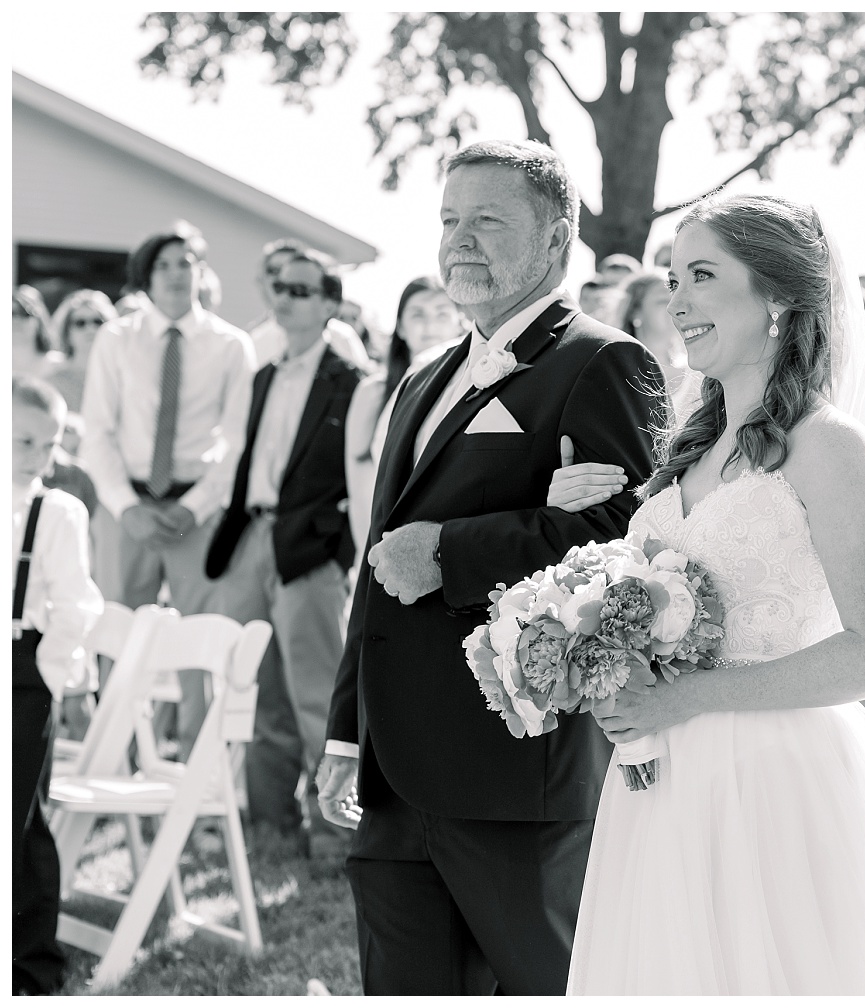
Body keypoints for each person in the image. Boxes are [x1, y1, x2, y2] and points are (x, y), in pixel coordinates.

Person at [547, 192, 865, 995]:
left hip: (776, 788)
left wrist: (689, 699)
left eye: (703, 275)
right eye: (673, 276)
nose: (677, 300)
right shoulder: (688, 448)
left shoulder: (828, 447)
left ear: (780, 301)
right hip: (663, 787)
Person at [314, 139, 666, 996]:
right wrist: (343, 731)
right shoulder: (426, 377)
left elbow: (631, 538)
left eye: (487, 221)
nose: (459, 240)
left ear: (555, 242)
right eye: (448, 220)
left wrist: (451, 552)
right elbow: (376, 568)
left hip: (514, 773)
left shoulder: (603, 362)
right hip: (395, 772)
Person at [204, 248, 363, 859]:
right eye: (279, 287)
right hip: (252, 539)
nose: (286, 297)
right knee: (256, 690)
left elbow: (359, 475)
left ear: (328, 304)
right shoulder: (262, 373)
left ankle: (332, 832)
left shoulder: (351, 381)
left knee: (315, 696)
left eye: (301, 290)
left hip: (311, 551)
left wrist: (337, 549)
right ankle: (269, 825)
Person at [80, 224, 255, 749]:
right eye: (164, 264)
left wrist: (197, 507)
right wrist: (126, 507)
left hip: (192, 515)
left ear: (202, 272)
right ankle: (114, 756)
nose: (177, 274)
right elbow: (97, 431)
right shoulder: (116, 338)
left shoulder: (231, 345)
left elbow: (236, 441)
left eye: (187, 263)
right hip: (124, 506)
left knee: (199, 642)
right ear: (145, 274)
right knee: (116, 637)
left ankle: (195, 771)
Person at [12, 377, 104, 995]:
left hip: (22, 672)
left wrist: (45, 674)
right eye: (21, 440)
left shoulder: (58, 510)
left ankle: (30, 966)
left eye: (47, 444)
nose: (34, 455)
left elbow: (76, 607)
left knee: (18, 820)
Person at [343, 277, 466, 563]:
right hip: (376, 543)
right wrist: (371, 551)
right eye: (417, 314)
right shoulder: (373, 391)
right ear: (400, 326)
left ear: (460, 321)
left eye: (441, 313)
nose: (430, 326)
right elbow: (358, 479)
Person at [247, 237, 371, 372]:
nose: (284, 275)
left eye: (300, 289)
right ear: (261, 279)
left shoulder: (342, 338)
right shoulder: (254, 340)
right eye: (274, 270)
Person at [619, 269, 696, 420]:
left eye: (677, 299)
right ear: (635, 311)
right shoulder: (619, 373)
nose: (674, 307)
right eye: (663, 301)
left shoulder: (697, 372)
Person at [46, 289, 118, 412]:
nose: (90, 329)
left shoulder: (120, 375)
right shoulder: (54, 383)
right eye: (80, 323)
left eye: (98, 322)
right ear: (66, 332)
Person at [13, 285, 59, 381]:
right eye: (11, 313)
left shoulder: (59, 367)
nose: (17, 320)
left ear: (39, 320)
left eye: (25, 313)